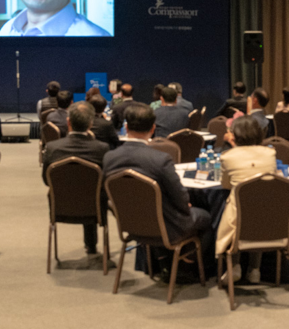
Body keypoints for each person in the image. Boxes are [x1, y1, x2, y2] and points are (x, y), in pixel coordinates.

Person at [103, 103, 211, 278]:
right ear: (153, 129)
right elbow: (180, 197)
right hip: (166, 227)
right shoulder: (160, 159)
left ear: (126, 127)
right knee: (207, 217)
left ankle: (164, 262)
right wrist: (186, 206)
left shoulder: (109, 158)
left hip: (129, 225)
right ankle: (186, 267)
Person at [43, 101, 110, 255]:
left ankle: (90, 245)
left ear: (68, 122)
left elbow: (46, 180)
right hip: (95, 208)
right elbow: (105, 181)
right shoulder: (102, 149)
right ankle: (92, 246)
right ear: (91, 123)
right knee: (94, 191)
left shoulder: (53, 148)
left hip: (60, 207)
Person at [216, 115, 277, 283]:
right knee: (258, 209)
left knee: (236, 209)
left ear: (235, 134)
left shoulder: (228, 156)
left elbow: (225, 185)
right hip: (270, 217)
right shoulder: (270, 153)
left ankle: (235, 266)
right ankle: (255, 269)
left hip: (238, 219)